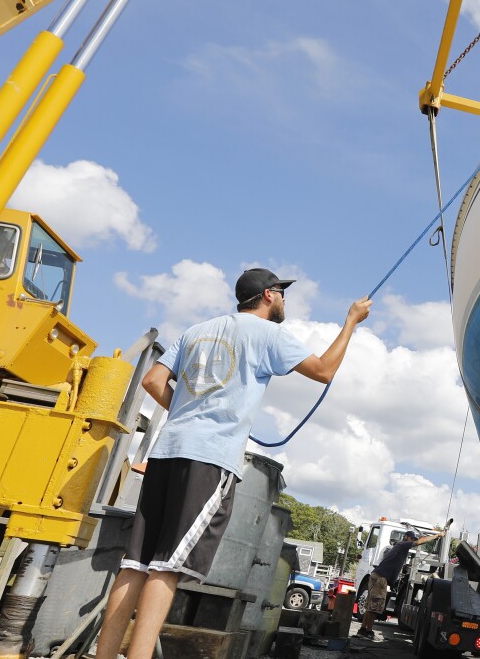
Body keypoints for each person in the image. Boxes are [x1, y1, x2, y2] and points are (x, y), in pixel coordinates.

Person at [95, 268, 372, 659]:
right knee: (167, 566)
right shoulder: (268, 334)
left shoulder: (196, 330)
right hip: (209, 460)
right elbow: (324, 370)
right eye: (283, 294)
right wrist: (350, 322)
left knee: (136, 562)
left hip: (166, 451)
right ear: (269, 296)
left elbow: (154, 381)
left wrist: (190, 411)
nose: (284, 302)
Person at [358, 524, 450, 642]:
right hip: (381, 578)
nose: (413, 541)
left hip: (376, 576)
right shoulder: (403, 544)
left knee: (370, 605)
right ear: (407, 537)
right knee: (375, 607)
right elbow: (421, 541)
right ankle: (368, 632)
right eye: (412, 539)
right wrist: (438, 535)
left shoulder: (398, 548)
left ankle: (362, 630)